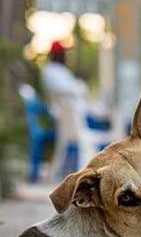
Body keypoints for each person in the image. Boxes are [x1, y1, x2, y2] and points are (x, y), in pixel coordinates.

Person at [41, 41, 88, 177]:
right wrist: (78, 88)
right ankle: (81, 171)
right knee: (82, 140)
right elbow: (65, 89)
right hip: (64, 112)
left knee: (68, 144)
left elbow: (77, 90)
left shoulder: (63, 71)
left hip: (74, 111)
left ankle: (67, 170)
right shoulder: (50, 71)